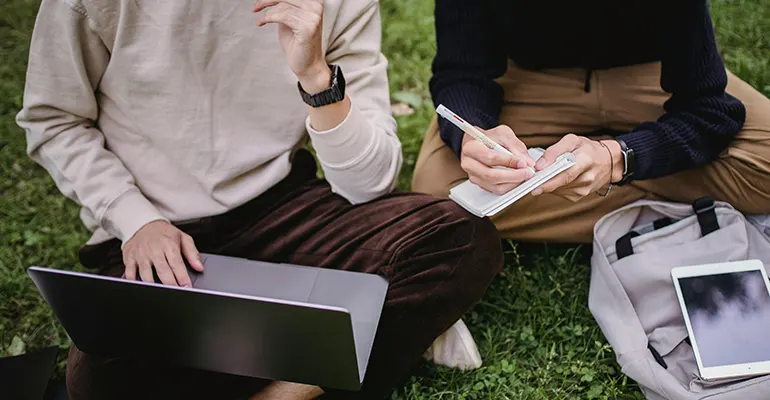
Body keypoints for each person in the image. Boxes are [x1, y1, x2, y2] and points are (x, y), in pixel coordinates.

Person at [16, 0, 503, 399]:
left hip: (286, 208)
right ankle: (380, 333)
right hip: (160, 233)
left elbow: (369, 184)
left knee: (461, 237)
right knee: (98, 379)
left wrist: (317, 77)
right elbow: (54, 121)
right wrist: (134, 220)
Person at [413, 0, 770, 243]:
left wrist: (619, 157)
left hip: (649, 76)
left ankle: (602, 180)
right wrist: (475, 133)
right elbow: (461, 71)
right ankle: (683, 202)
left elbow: (708, 108)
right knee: (433, 196)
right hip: (531, 80)